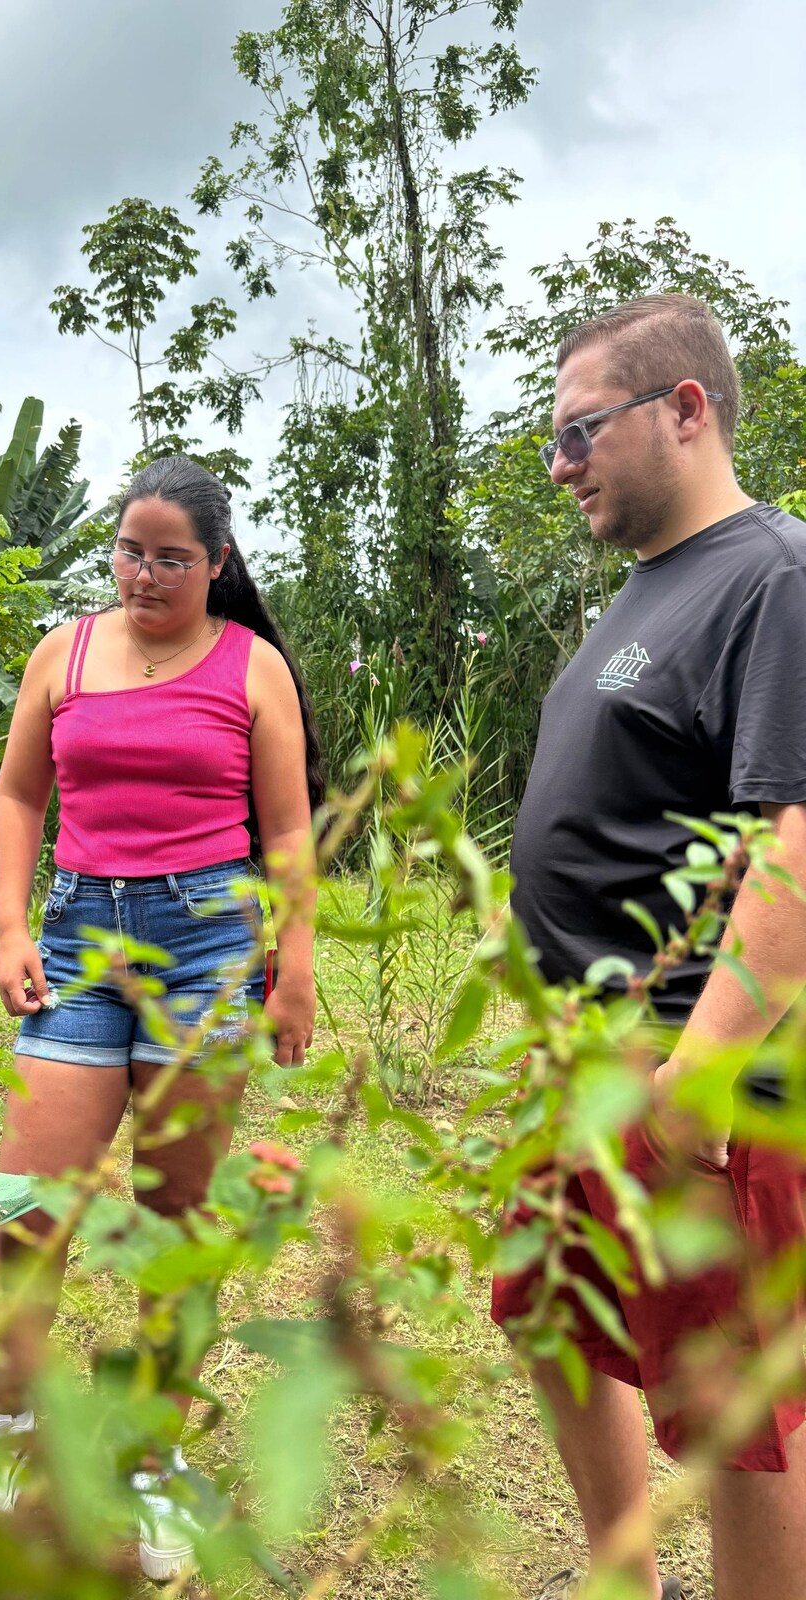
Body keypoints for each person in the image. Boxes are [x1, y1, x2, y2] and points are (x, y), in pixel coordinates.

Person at [494, 294, 806, 1600]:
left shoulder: (770, 577)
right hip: (588, 1059)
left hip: (689, 1067)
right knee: (550, 1317)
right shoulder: (653, 586)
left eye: (580, 433)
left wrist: (702, 1079)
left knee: (732, 1417)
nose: (560, 465)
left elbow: (797, 830)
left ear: (684, 410)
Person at [0, 455, 321, 1578]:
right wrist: (12, 927)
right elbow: (21, 793)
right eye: (130, 550)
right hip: (78, 943)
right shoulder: (62, 652)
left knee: (174, 1227)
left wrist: (298, 964)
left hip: (208, 953)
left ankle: (153, 1458)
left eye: (171, 557)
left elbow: (287, 833)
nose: (144, 573)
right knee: (30, 1209)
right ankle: (15, 1430)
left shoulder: (252, 667)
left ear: (216, 563)